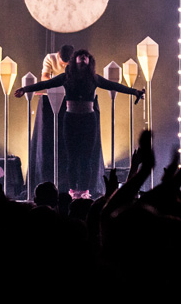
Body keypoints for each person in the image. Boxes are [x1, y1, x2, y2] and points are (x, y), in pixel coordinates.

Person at [16, 49, 146, 198]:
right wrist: (26, 89)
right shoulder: (66, 77)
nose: (84, 58)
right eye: (81, 56)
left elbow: (114, 85)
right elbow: (47, 83)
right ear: (74, 60)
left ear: (89, 61)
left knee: (86, 158)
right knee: (72, 158)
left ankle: (84, 190)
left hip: (88, 121)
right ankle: (73, 190)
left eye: (87, 56)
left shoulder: (94, 78)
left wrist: (134, 92)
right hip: (71, 120)